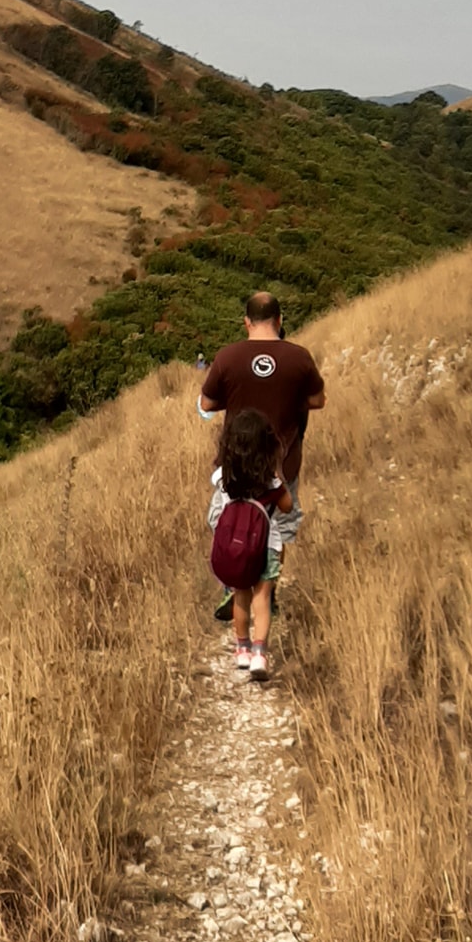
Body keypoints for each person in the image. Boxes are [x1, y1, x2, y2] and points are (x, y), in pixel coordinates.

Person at [198, 291, 325, 618]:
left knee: (225, 521)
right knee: (278, 528)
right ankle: (267, 591)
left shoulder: (228, 357)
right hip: (283, 464)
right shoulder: (299, 357)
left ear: (246, 322)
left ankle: (233, 586)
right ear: (279, 321)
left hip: (236, 464)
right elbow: (318, 399)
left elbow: (208, 404)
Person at [207, 408, 293, 679]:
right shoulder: (270, 481)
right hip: (267, 546)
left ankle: (242, 650)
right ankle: (259, 654)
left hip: (236, 549)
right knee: (262, 598)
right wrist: (278, 476)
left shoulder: (223, 477)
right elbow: (287, 507)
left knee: (241, 597)